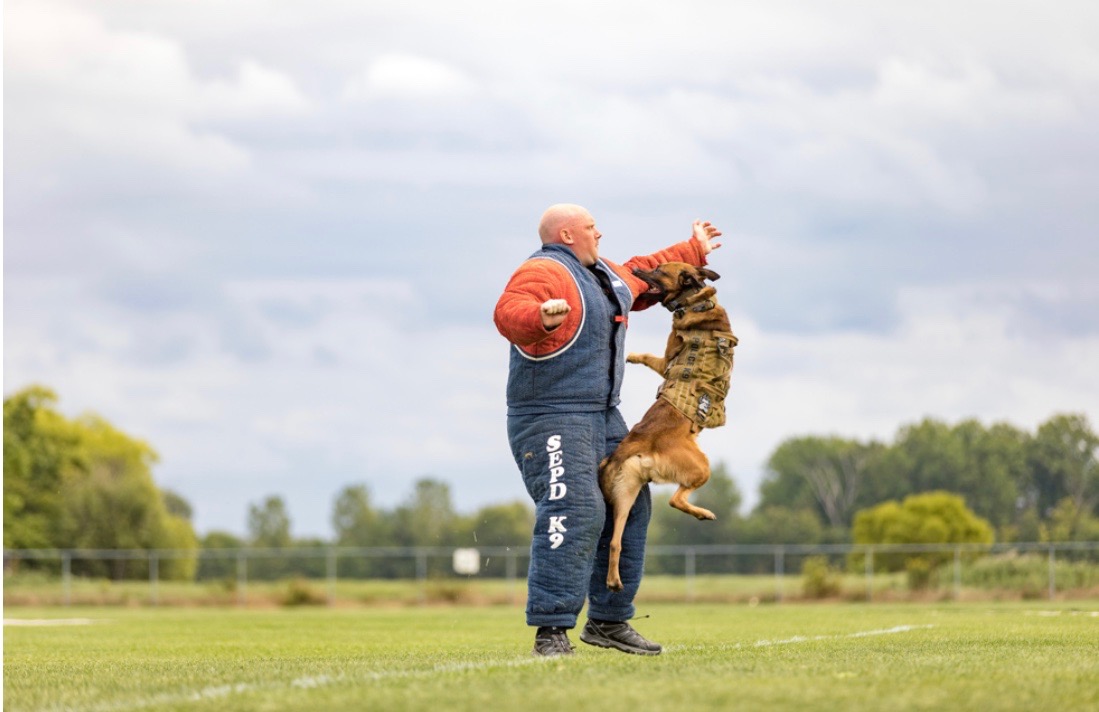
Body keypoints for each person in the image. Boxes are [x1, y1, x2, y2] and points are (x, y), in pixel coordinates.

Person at [493, 204, 722, 657]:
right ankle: (552, 630)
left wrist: (694, 249)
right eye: (592, 227)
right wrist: (541, 317)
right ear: (567, 233)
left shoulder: (603, 274)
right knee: (575, 507)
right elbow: (508, 311)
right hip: (550, 415)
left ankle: (609, 620)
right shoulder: (542, 272)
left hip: (603, 415)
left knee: (631, 507)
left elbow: (646, 272)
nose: (600, 233)